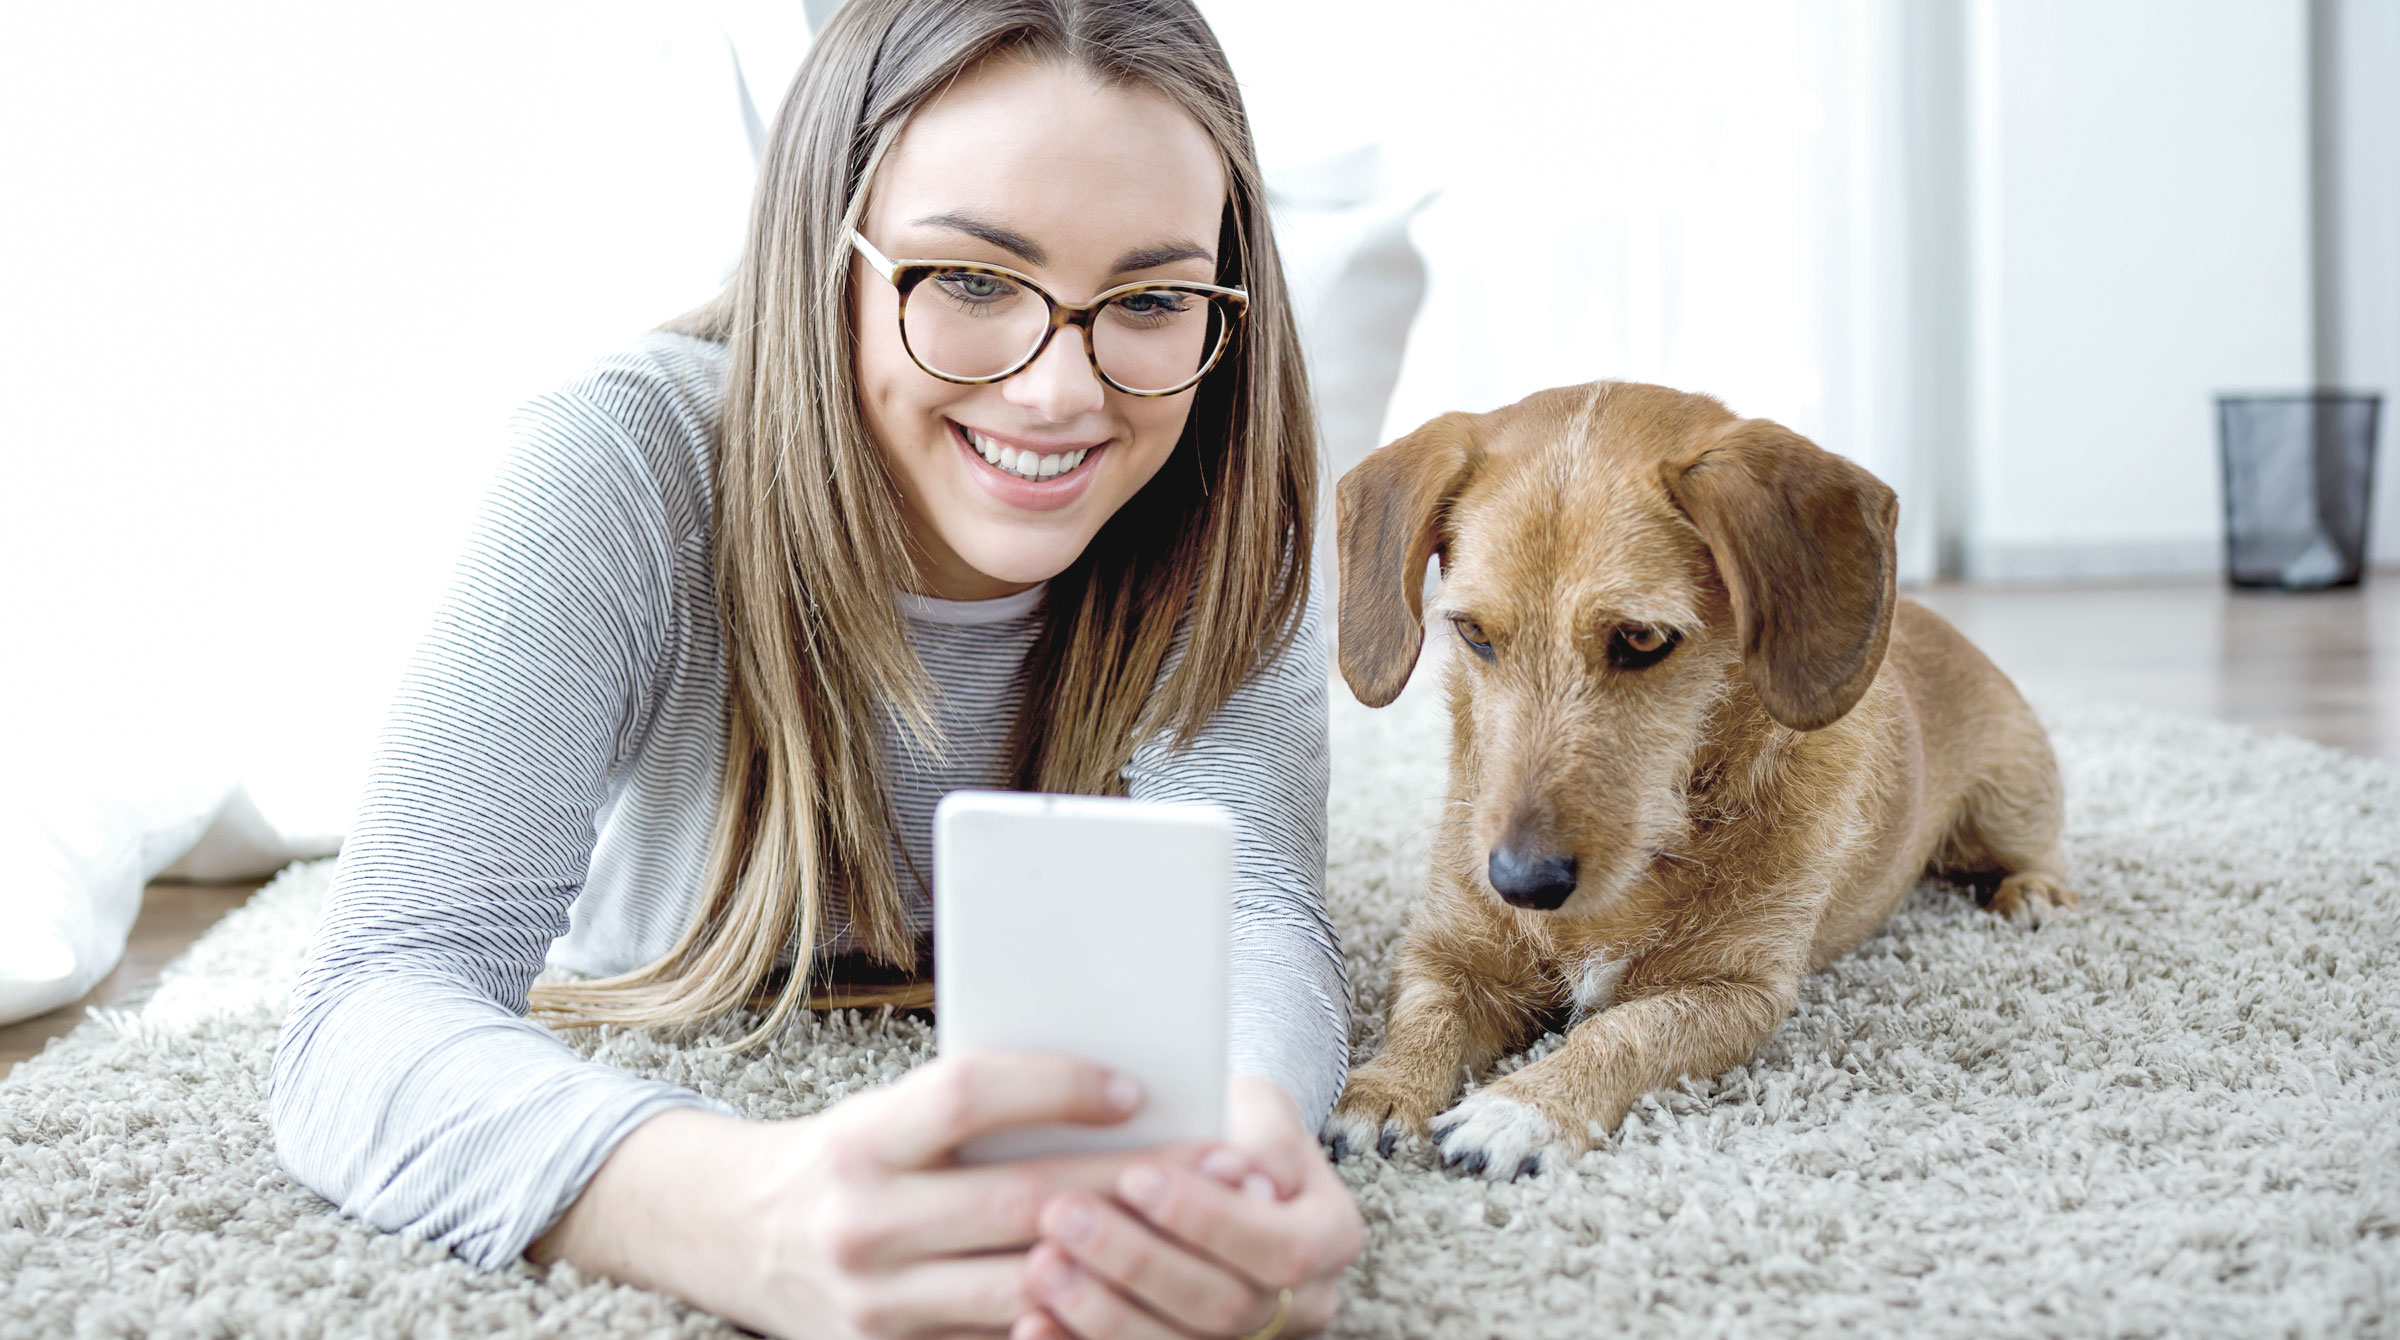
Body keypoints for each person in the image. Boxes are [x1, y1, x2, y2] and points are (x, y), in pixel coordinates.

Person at [267, 1, 1367, 1336]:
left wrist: (1242, 1154)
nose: (1057, 391)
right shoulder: (619, 463)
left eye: (1146, 301)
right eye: (968, 280)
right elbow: (369, 1004)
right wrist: (746, 1215)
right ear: (823, 254)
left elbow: (1253, 914)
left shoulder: (1229, 501)